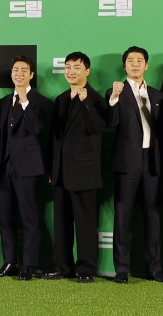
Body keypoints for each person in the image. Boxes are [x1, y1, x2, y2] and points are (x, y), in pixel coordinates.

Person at [43, 52, 107, 284]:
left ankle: (87, 268)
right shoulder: (60, 99)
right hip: (60, 171)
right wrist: (51, 167)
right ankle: (62, 266)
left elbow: (96, 129)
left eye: (77, 67)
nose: (71, 71)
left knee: (85, 223)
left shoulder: (96, 98)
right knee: (61, 222)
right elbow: (54, 137)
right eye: (68, 67)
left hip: (84, 172)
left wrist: (84, 101)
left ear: (87, 71)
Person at [106, 46, 163, 284]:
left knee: (153, 215)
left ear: (146, 66)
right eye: (130, 61)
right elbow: (110, 123)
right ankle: (121, 269)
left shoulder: (157, 94)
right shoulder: (116, 92)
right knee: (123, 215)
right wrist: (112, 97)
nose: (135, 64)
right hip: (126, 161)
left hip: (152, 160)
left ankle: (155, 267)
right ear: (124, 66)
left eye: (139, 60)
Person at [0, 55, 49, 281]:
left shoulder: (41, 101)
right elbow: (0, 136)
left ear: (31, 75)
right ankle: (9, 262)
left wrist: (25, 102)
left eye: (24, 70)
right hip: (5, 167)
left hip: (28, 168)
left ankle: (28, 265)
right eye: (16, 70)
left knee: (29, 218)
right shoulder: (4, 102)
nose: (19, 74)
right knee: (5, 218)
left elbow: (36, 129)